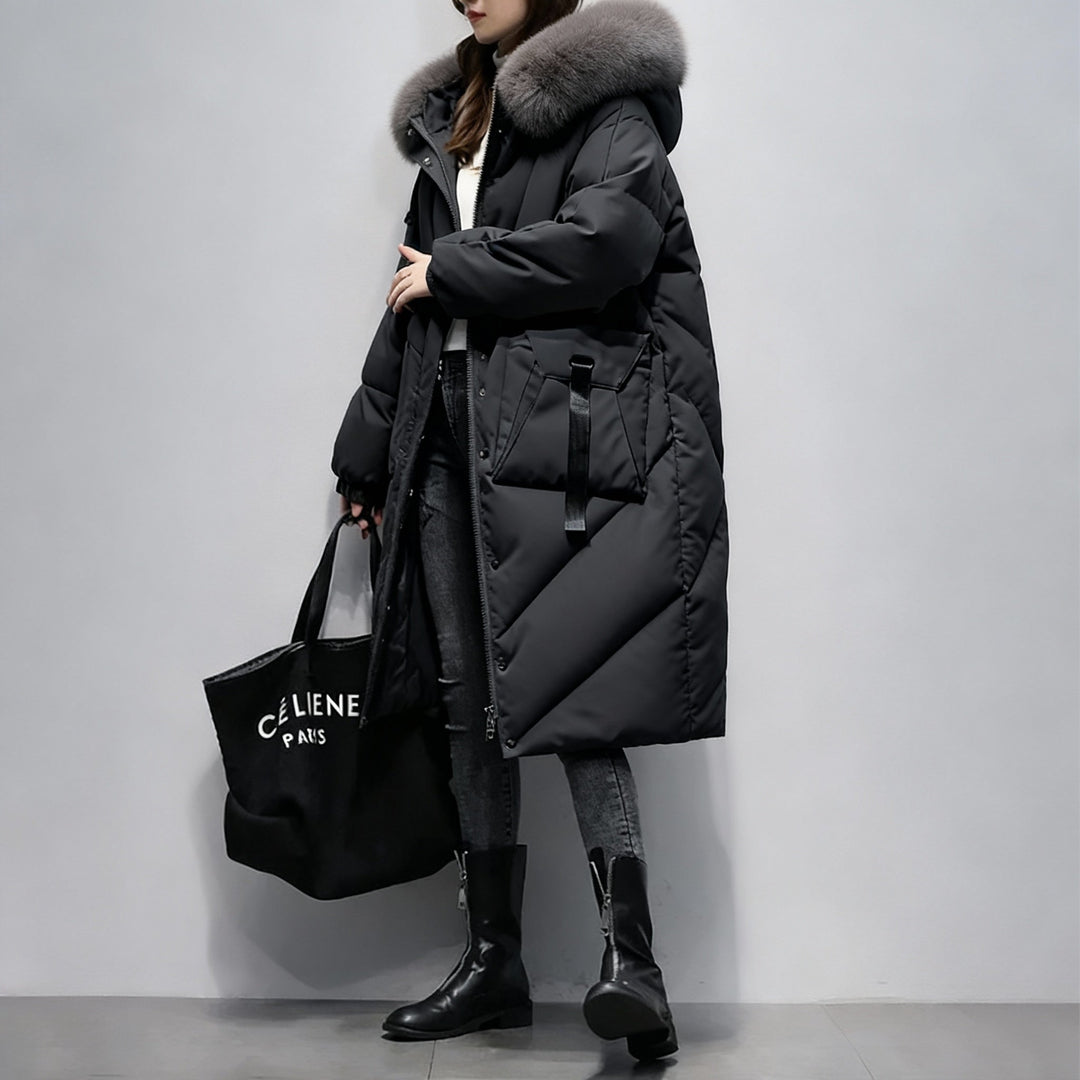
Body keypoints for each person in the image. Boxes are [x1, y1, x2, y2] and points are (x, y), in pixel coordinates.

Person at [331, 0, 728, 1062]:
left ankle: (633, 967)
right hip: (443, 428)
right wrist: (365, 448)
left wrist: (455, 268)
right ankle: (492, 961)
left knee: (573, 687)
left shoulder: (607, 106)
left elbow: (609, 245)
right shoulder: (456, 114)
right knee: (467, 700)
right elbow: (408, 293)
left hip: (555, 436)